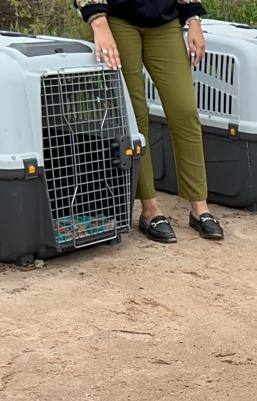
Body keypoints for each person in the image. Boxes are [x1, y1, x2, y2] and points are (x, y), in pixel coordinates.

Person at [78, 0, 224, 242]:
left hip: (164, 21)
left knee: (185, 110)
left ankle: (199, 207)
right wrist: (98, 21)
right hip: (116, 19)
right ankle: (150, 210)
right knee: (136, 114)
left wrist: (194, 19)